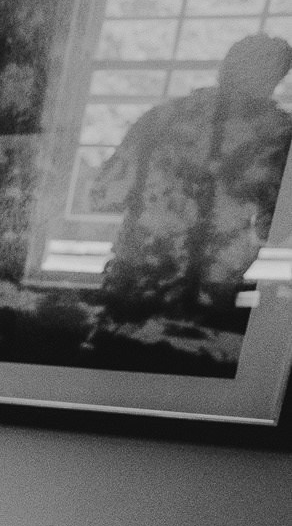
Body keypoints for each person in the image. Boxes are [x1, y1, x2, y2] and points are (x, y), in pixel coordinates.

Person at [90, 33, 292, 325]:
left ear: (226, 67)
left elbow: (105, 194)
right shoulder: (281, 138)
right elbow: (276, 228)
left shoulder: (161, 118)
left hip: (135, 280)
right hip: (207, 294)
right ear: (276, 78)